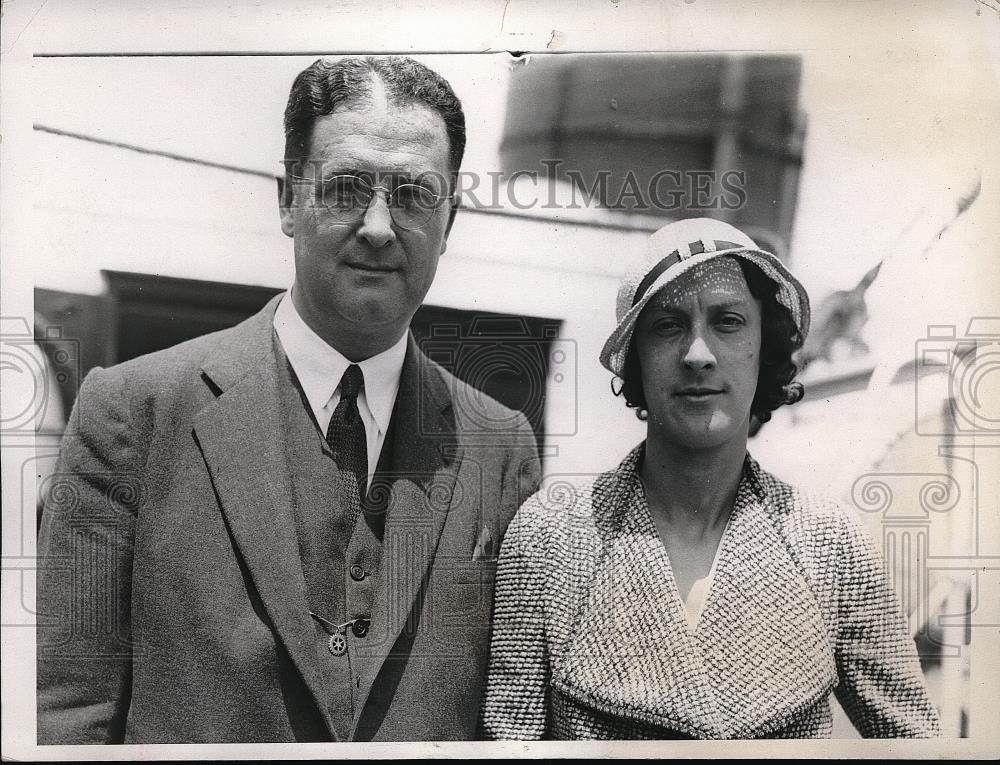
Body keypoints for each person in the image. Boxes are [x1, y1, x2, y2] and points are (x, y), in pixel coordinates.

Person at [36, 55, 540, 744]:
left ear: (450, 220)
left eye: (415, 194)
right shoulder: (131, 414)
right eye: (346, 187)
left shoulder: (501, 444)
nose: (378, 226)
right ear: (287, 199)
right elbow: (65, 718)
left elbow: (512, 727)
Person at [480, 217, 941, 739]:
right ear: (634, 358)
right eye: (669, 325)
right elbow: (507, 746)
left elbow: (919, 746)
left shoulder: (830, 544)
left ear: (764, 348)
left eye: (728, 322)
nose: (698, 355)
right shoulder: (551, 538)